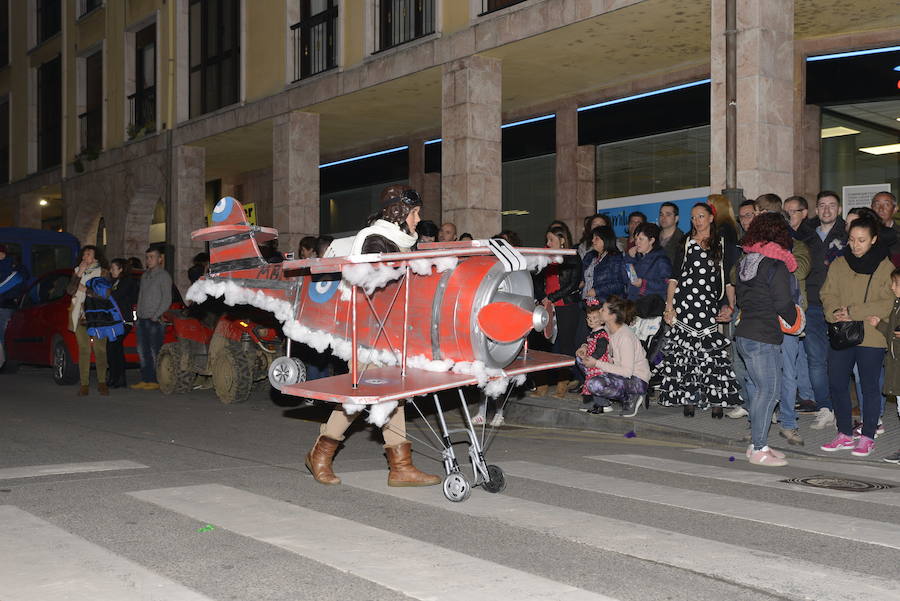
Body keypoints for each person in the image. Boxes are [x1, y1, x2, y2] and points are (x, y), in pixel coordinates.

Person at [306, 184, 440, 488]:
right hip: (366, 329)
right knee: (361, 395)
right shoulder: (375, 240)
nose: (418, 220)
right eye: (415, 213)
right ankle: (320, 454)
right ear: (399, 212)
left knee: (392, 394)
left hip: (390, 329)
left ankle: (401, 468)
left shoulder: (400, 240)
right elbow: (373, 287)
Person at [820, 217, 893, 457]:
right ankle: (844, 433)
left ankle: (868, 435)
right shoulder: (839, 264)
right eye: (851, 239)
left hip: (871, 335)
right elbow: (826, 293)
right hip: (841, 332)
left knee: (869, 386)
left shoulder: (885, 267)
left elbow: (888, 303)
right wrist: (834, 314)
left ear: (873, 240)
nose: (855, 245)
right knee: (837, 382)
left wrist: (852, 311)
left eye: (861, 240)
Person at [734, 212, 803, 466]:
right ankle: (760, 448)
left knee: (761, 390)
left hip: (745, 333)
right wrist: (797, 320)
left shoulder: (746, 262)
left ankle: (757, 443)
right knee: (769, 391)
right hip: (764, 336)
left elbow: (742, 299)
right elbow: (783, 303)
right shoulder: (776, 265)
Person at [659, 203, 740, 417]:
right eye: (694, 217)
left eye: (701, 216)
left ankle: (716, 400)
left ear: (711, 218)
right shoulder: (685, 243)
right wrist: (670, 306)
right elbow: (674, 278)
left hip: (708, 305)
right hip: (685, 304)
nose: (697, 221)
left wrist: (731, 306)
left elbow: (729, 281)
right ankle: (690, 397)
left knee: (711, 353)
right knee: (686, 352)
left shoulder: (722, 243)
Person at [784, 196, 825, 417]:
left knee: (811, 353)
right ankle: (804, 395)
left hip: (809, 302)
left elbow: (811, 271)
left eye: (794, 211)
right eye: (786, 211)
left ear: (805, 213)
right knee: (796, 352)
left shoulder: (809, 238)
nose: (790, 215)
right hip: (792, 301)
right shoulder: (786, 236)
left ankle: (814, 398)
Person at [578, 296, 651, 417]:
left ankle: (632, 396)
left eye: (603, 310)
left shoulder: (625, 337)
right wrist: (584, 347)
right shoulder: (606, 328)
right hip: (617, 373)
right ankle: (603, 403)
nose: (600, 310)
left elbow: (627, 372)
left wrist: (596, 363)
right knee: (581, 360)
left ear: (612, 316)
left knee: (594, 384)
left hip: (636, 379)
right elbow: (594, 339)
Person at [535, 224, 583, 398]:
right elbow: (538, 281)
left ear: (562, 240)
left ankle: (562, 385)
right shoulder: (545, 258)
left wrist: (552, 298)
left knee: (565, 346)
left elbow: (572, 284)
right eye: (547, 239)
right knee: (544, 346)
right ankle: (542, 384)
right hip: (547, 306)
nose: (548, 243)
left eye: (552, 240)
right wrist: (543, 297)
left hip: (567, 306)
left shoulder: (572, 257)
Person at [66, 245, 110, 396]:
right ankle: (84, 384)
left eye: (89, 254)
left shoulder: (103, 272)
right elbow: (70, 290)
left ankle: (102, 382)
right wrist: (79, 273)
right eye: (84, 255)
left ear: (96, 258)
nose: (85, 257)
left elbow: (105, 294)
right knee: (84, 350)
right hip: (80, 315)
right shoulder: (78, 271)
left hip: (98, 315)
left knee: (100, 349)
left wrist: (87, 291)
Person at [869, 268, 900, 464]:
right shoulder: (896, 306)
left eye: (896, 284)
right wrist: (879, 324)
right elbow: (892, 332)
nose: (892, 287)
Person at [132, 245, 173, 391]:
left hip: (154, 320)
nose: (148, 260)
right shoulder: (145, 275)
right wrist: (138, 316)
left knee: (155, 350)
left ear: (160, 259)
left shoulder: (164, 276)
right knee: (142, 351)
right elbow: (141, 296)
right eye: (147, 257)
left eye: (152, 257)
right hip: (142, 318)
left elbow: (167, 299)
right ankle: (146, 378)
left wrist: (156, 315)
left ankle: (156, 380)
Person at [107, 258, 139, 389]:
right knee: (114, 348)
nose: (111, 271)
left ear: (121, 269)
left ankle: (118, 378)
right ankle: (116, 378)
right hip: (113, 320)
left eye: (113, 268)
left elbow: (116, 296)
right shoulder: (114, 282)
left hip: (124, 320)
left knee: (114, 346)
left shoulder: (127, 281)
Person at [576, 300, 612, 414]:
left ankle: (603, 405)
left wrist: (592, 358)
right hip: (592, 364)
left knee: (597, 386)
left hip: (598, 365)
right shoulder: (593, 333)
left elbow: (601, 350)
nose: (591, 321)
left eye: (594, 318)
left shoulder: (602, 334)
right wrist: (584, 348)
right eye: (589, 318)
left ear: (602, 320)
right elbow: (589, 344)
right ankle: (597, 405)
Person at [623, 222, 672, 301]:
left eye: (641, 239)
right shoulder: (636, 257)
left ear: (651, 240)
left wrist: (643, 283)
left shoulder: (661, 260)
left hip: (650, 306)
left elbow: (667, 285)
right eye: (636, 239)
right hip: (633, 303)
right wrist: (629, 258)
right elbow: (624, 279)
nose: (637, 242)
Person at [0, 245, 27, 371]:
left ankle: (5, 363)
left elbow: (6, 286)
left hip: (6, 306)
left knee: (4, 335)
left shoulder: (14, 270)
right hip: (4, 305)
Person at [809, 191, 846, 268]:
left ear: (839, 210)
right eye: (822, 206)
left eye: (832, 206)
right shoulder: (805, 236)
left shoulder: (847, 235)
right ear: (816, 210)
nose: (826, 211)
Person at [871, 191, 900, 260]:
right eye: (877, 205)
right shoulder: (866, 233)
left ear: (895, 209)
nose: (881, 209)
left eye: (886, 205)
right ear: (871, 208)